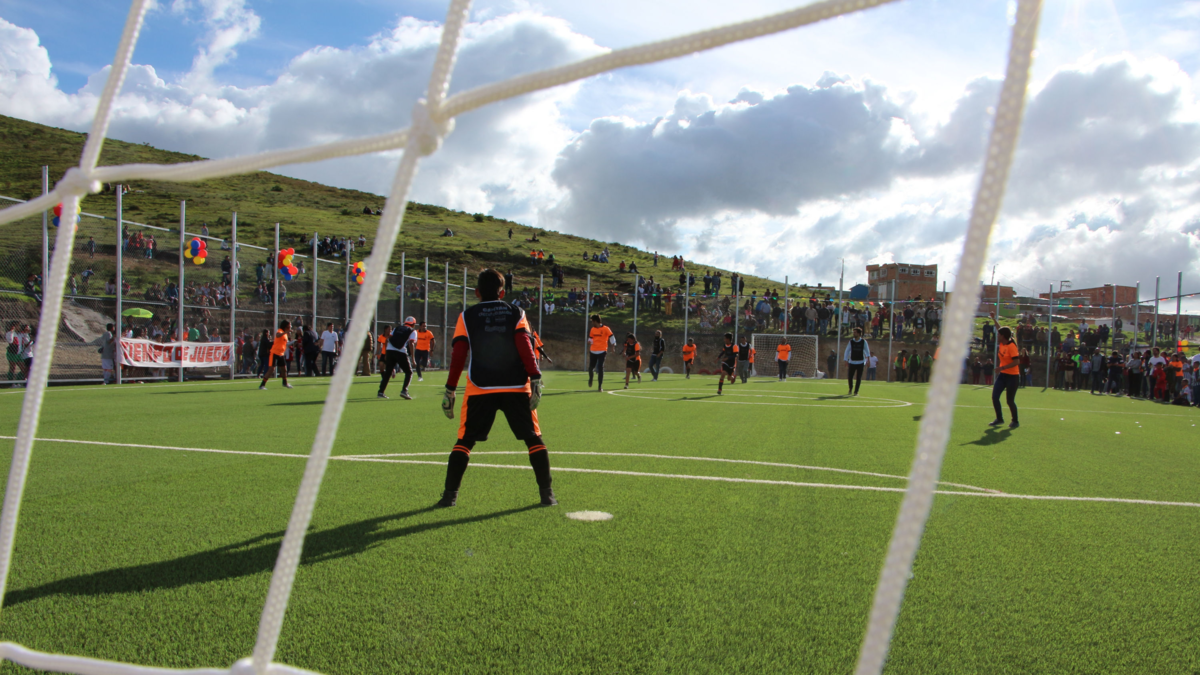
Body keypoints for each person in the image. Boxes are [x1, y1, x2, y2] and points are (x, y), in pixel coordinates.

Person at [437, 269, 555, 507]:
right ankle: (547, 495)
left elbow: (459, 354)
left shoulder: (466, 316)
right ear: (502, 293)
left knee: (464, 441)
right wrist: (535, 377)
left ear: (477, 292)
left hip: (480, 386)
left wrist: (450, 389)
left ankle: (449, 497)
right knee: (534, 439)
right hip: (516, 385)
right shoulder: (517, 312)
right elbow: (524, 344)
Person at [988, 312, 1019, 429]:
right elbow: (999, 328)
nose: (997, 336)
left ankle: (1015, 421)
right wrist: (994, 319)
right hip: (1003, 375)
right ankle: (999, 419)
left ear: (1003, 336)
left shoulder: (1011, 346)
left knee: (1010, 401)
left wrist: (1002, 368)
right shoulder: (1002, 343)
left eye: (999, 335)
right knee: (995, 396)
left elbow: (1017, 362)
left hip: (1013, 376)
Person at [379, 317, 417, 400]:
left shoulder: (397, 328)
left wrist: (386, 353)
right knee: (409, 372)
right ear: (413, 324)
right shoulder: (412, 331)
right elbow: (411, 343)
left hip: (389, 350)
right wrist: (413, 359)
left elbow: (387, 339)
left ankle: (381, 392)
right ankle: (404, 391)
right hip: (400, 351)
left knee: (388, 372)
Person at [259, 320, 293, 390]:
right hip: (274, 353)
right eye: (289, 325)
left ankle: (285, 383)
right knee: (271, 369)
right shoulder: (280, 331)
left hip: (281, 353)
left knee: (284, 369)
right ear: (286, 326)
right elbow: (277, 335)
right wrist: (285, 332)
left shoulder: (286, 334)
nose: (290, 326)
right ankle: (262, 385)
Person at [587, 314, 614, 391]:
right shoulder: (592, 329)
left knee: (600, 367)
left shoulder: (606, 329)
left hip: (602, 350)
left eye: (592, 321)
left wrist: (613, 346)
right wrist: (589, 341)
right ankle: (591, 378)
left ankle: (600, 386)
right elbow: (591, 338)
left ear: (595, 321)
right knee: (591, 368)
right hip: (593, 350)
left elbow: (612, 337)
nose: (592, 323)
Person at [843, 327, 870, 396]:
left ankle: (856, 391)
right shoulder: (851, 342)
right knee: (850, 377)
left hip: (861, 362)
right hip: (852, 362)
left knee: (859, 377)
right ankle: (850, 388)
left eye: (855, 332)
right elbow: (847, 351)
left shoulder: (863, 342)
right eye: (853, 332)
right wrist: (846, 360)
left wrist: (868, 360)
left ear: (859, 333)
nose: (853, 333)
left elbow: (867, 351)